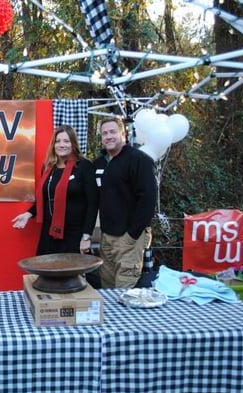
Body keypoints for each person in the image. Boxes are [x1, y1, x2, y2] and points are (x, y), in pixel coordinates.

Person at [12, 125, 98, 261]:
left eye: (66, 141)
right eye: (58, 141)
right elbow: (44, 198)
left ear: (73, 143)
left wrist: (86, 236)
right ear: (53, 145)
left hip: (73, 235)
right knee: (46, 274)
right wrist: (28, 214)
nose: (61, 145)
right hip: (49, 233)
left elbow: (93, 204)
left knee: (70, 277)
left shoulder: (84, 166)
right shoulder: (48, 168)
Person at [93, 116, 156, 289]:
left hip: (129, 237)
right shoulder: (103, 163)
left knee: (124, 290)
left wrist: (132, 235)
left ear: (123, 133)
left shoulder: (139, 160)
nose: (108, 136)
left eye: (113, 132)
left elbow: (148, 200)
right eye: (104, 133)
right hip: (107, 237)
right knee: (107, 287)